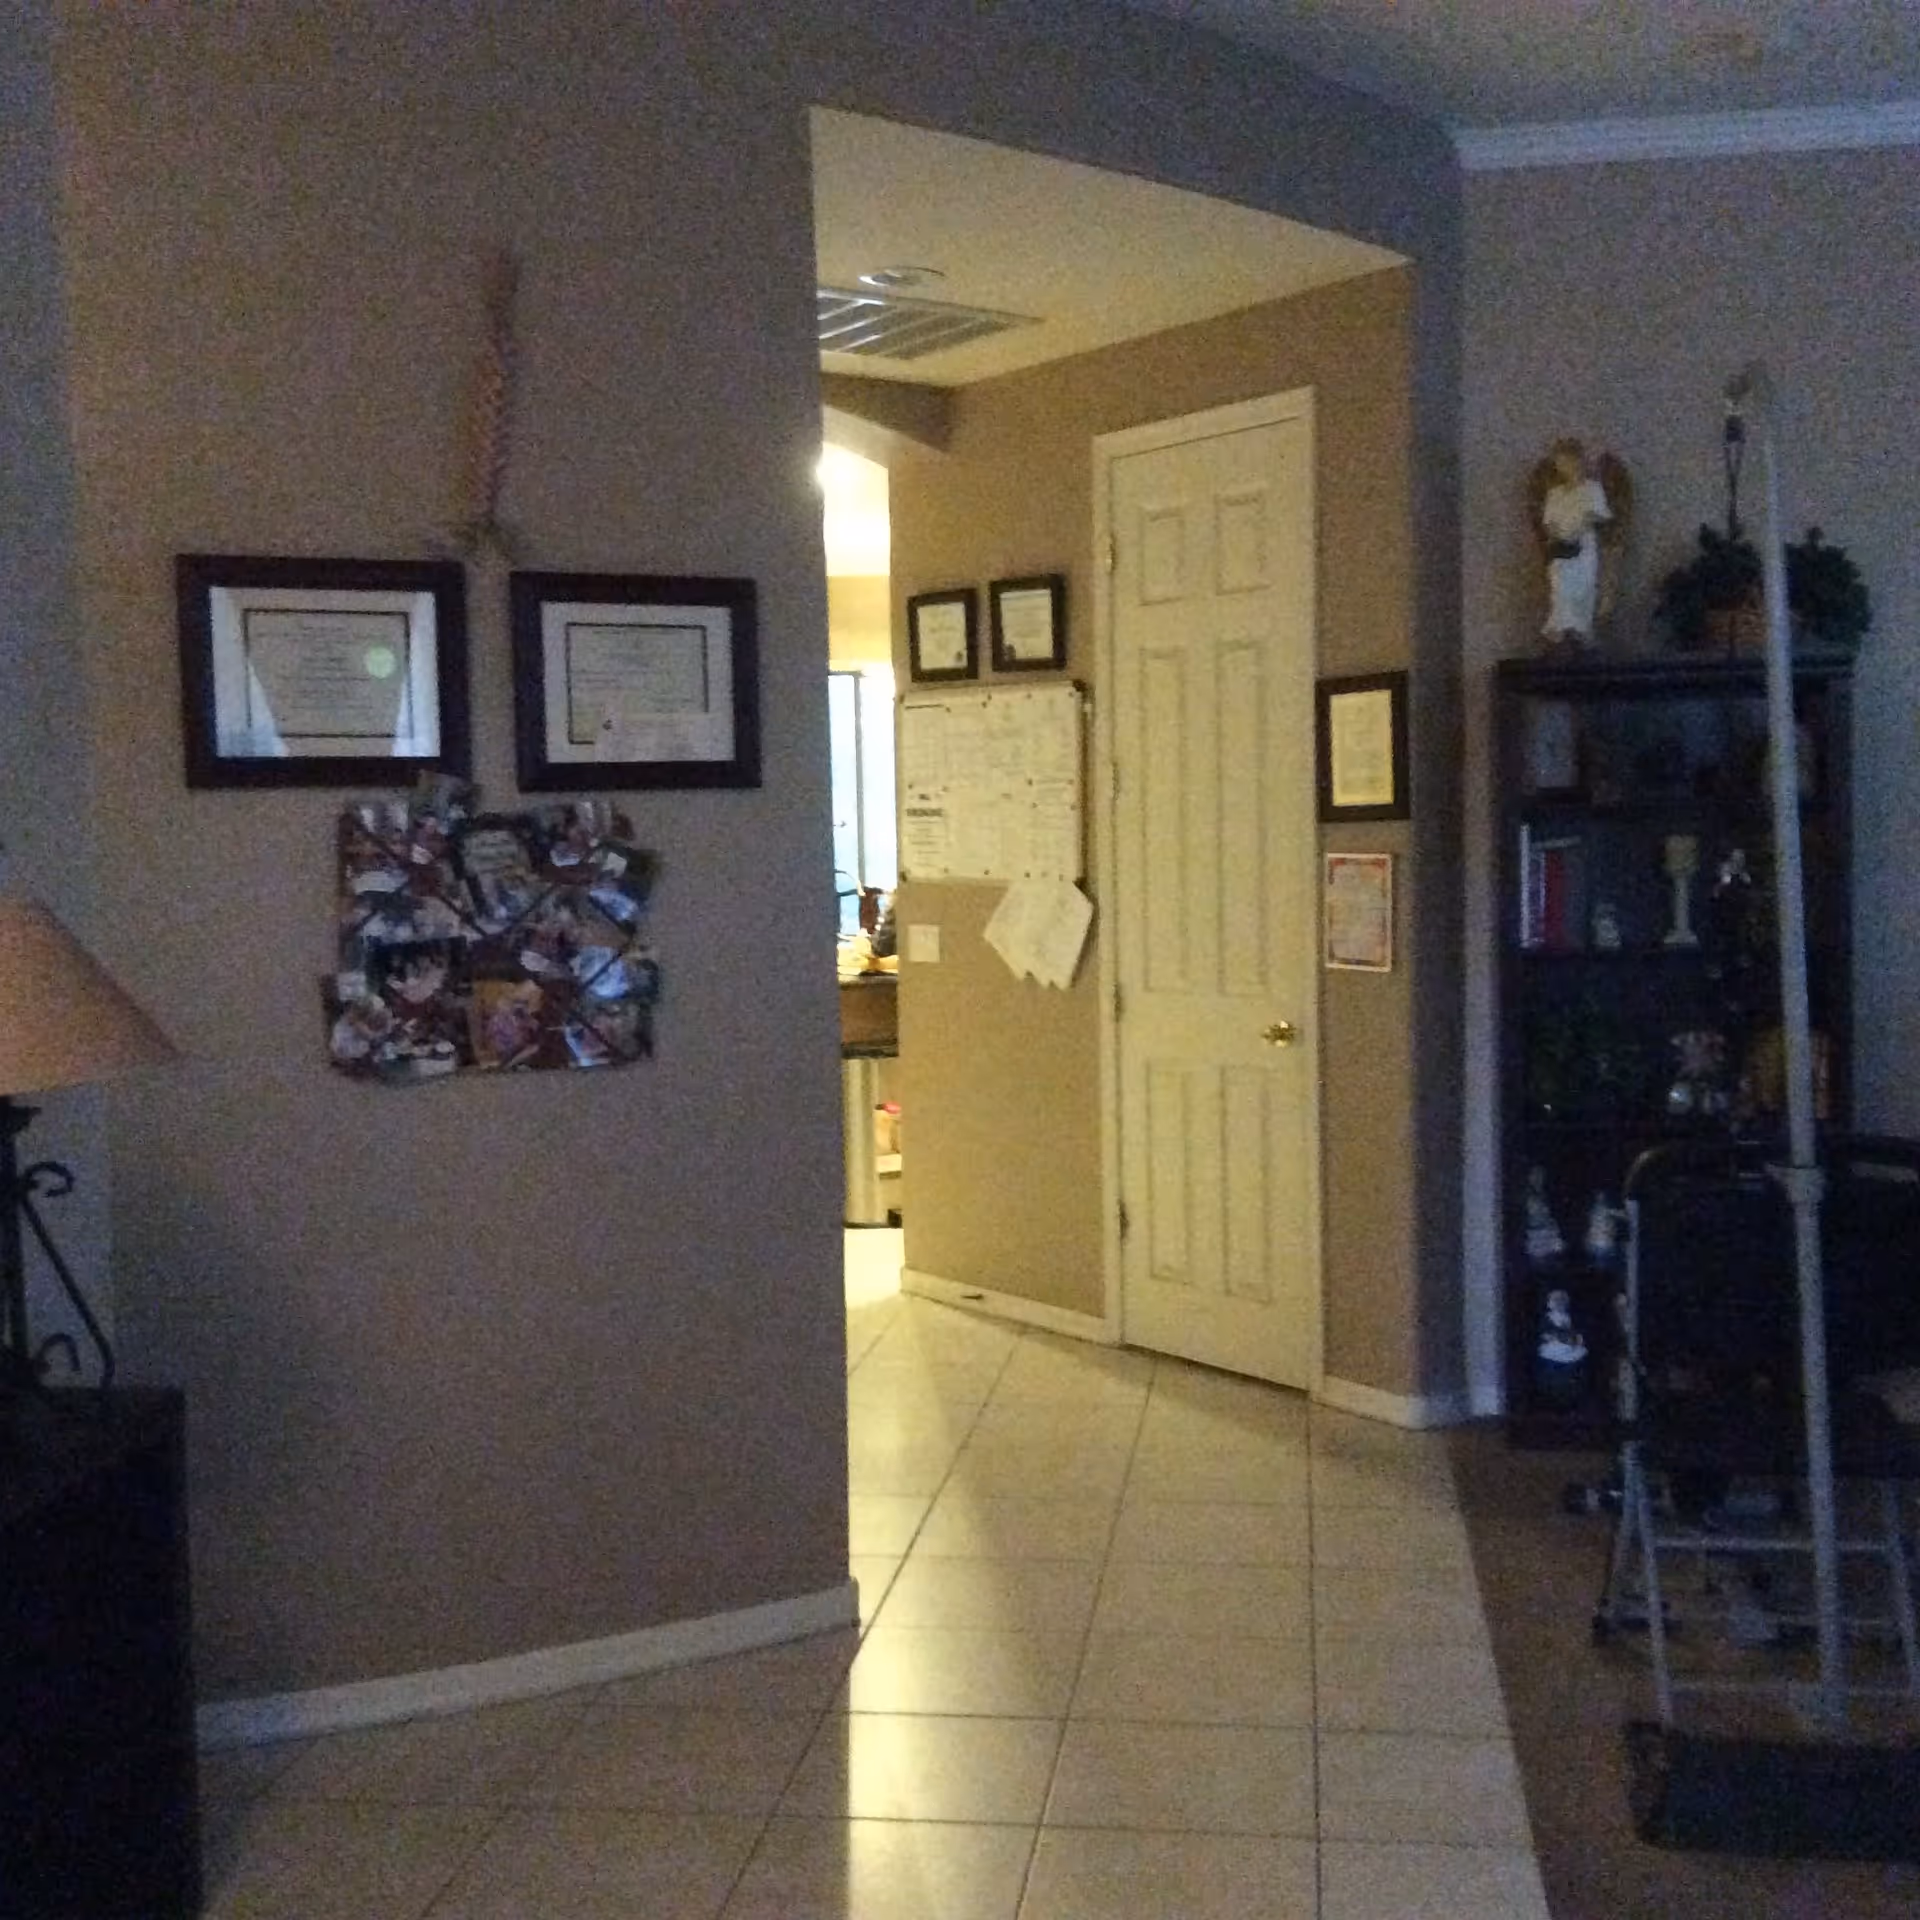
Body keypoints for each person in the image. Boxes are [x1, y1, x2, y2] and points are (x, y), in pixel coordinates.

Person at [1537, 438, 1613, 649]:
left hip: (1582, 547)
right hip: (1561, 548)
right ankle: (1562, 634)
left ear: (1576, 461)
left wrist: (1575, 532)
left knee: (1583, 589)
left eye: (1565, 461)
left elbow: (1595, 515)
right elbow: (1549, 522)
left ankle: (1582, 632)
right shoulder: (1555, 494)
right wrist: (1560, 536)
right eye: (1558, 463)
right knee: (1561, 590)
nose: (1562, 467)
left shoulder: (1592, 489)